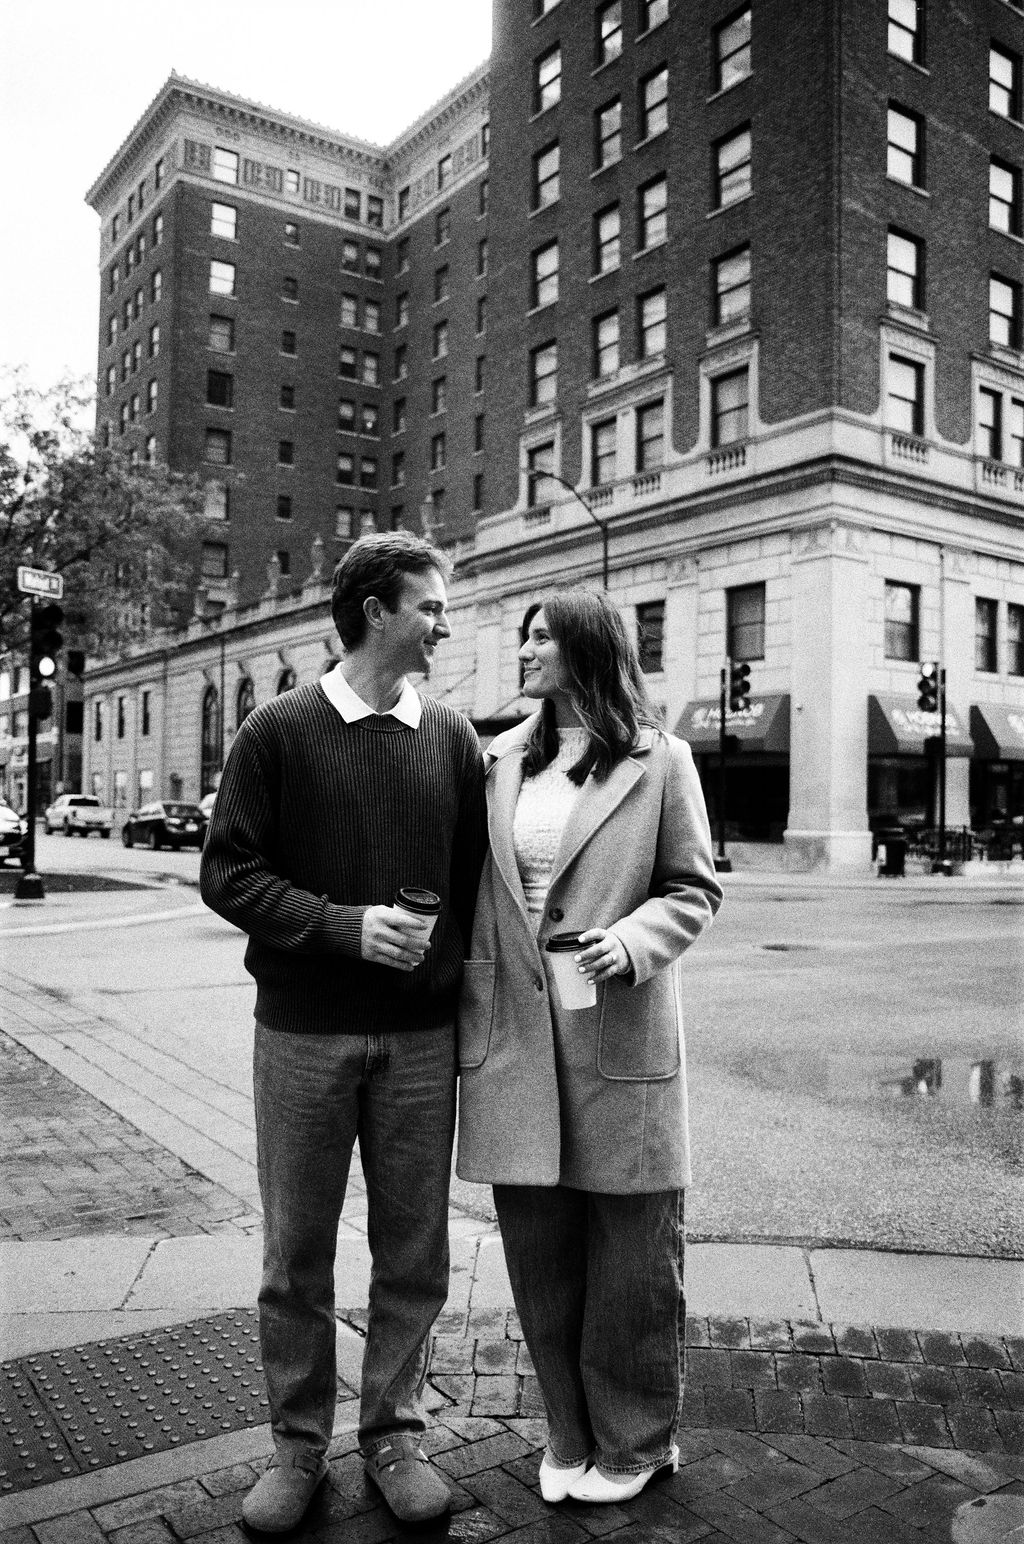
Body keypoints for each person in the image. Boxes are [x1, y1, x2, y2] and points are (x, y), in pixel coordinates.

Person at [201, 531, 486, 1535]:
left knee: (413, 1248)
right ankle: (295, 1443)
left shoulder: (451, 738)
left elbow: (476, 889)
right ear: (376, 611)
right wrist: (342, 924)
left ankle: (394, 1432)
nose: (444, 622)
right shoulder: (276, 731)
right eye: (433, 606)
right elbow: (227, 872)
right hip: (303, 1034)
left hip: (417, 1041)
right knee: (296, 1253)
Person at [456, 588, 723, 1506]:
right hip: (515, 1040)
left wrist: (636, 941)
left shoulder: (661, 761)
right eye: (526, 635)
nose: (526, 650)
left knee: (633, 1266)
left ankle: (639, 1441)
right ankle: (568, 1434)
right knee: (539, 1259)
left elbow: (694, 889)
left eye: (541, 637)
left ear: (586, 650)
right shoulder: (496, 762)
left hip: (617, 1030)